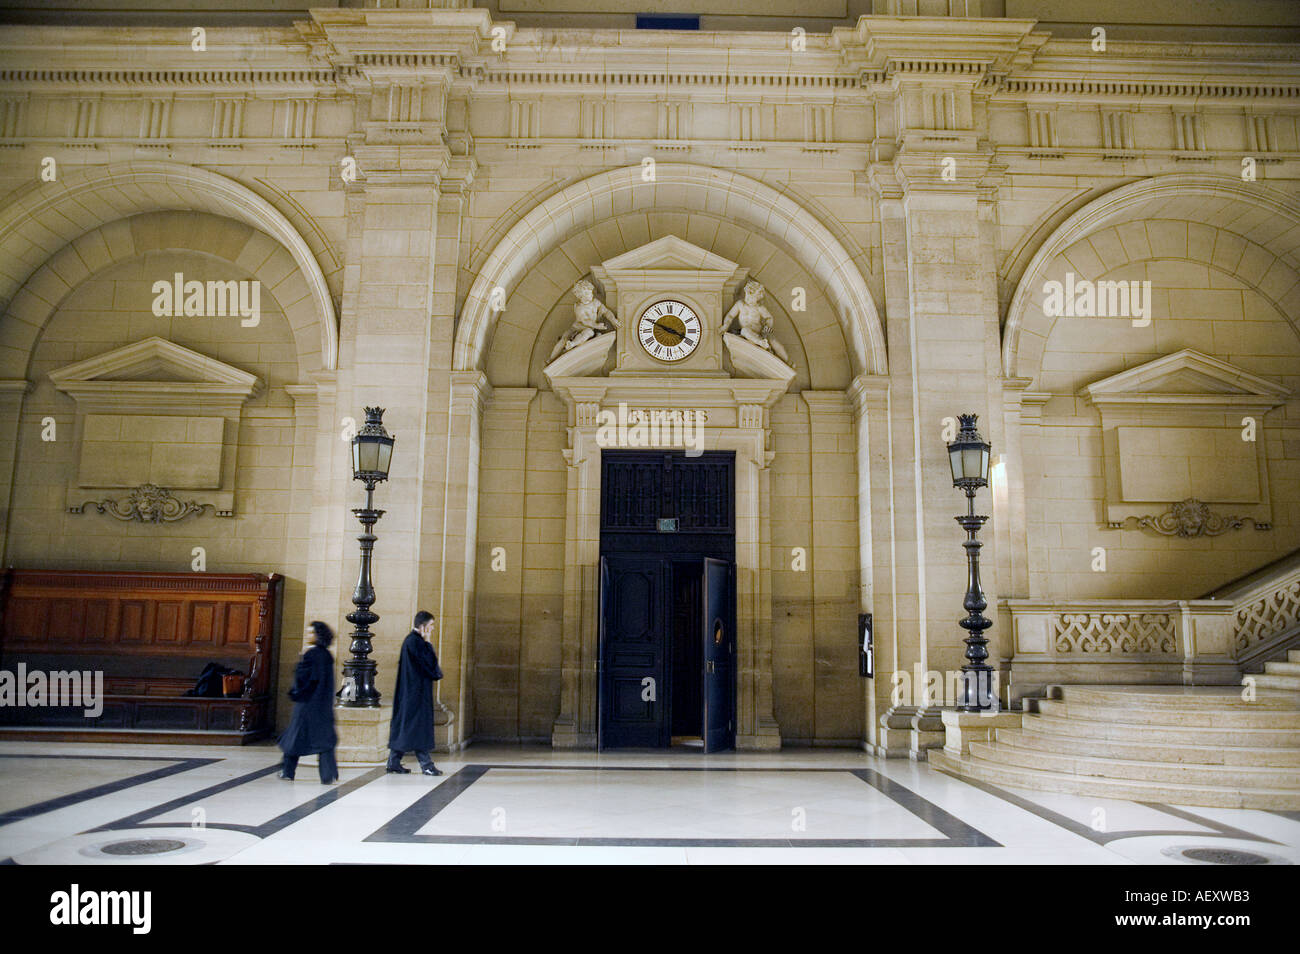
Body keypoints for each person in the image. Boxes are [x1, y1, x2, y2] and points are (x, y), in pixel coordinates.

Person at [278, 621, 339, 784]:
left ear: (318, 635)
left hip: (307, 704)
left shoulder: (311, 655)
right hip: (323, 705)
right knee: (325, 741)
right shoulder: (327, 655)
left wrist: (296, 692)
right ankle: (327, 775)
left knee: (294, 737)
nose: (308, 635)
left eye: (311, 632)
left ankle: (288, 771)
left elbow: (305, 679)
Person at [387, 610, 443, 776]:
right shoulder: (416, 642)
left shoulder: (411, 641)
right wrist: (428, 643)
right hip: (415, 693)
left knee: (407, 727)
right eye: (431, 625)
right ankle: (426, 764)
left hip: (411, 693)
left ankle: (393, 762)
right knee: (418, 727)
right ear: (423, 626)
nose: (432, 629)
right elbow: (429, 665)